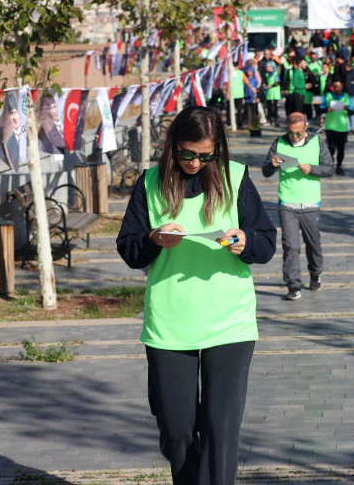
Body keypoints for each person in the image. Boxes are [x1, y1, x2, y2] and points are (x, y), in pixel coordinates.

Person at [115, 107, 277, 485]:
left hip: (229, 322)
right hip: (170, 324)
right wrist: (154, 239)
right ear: (173, 146)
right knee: (178, 433)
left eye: (206, 156)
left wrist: (245, 241)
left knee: (221, 431)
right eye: (188, 154)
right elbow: (129, 248)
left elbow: (266, 242)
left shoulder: (235, 178)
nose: (196, 162)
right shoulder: (150, 182)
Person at [261, 112, 333, 301]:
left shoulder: (317, 142)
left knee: (313, 243)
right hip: (287, 203)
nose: (294, 137)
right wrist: (273, 164)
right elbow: (266, 171)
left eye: (298, 133)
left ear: (306, 128)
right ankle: (293, 285)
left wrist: (312, 169)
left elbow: (329, 169)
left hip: (311, 204)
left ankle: (316, 273)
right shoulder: (279, 143)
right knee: (290, 245)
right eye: (291, 133)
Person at [322, 78, 354, 175]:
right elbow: (320, 109)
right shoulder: (327, 96)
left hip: (342, 127)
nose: (337, 88)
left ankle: (339, 166)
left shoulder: (347, 97)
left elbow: (353, 112)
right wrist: (327, 109)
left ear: (342, 86)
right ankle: (330, 165)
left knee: (341, 149)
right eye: (335, 87)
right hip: (330, 126)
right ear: (332, 87)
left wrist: (348, 109)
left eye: (339, 87)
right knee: (331, 148)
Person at [263, 60, 282, 127]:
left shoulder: (275, 74)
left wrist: (270, 85)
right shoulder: (267, 74)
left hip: (275, 92)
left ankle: (276, 120)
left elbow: (278, 82)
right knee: (269, 107)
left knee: (275, 106)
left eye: (268, 67)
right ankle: (269, 119)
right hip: (269, 92)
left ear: (272, 67)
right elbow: (265, 81)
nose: (266, 68)